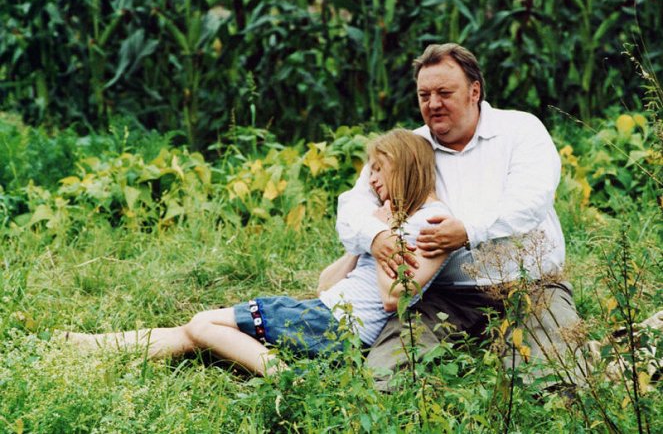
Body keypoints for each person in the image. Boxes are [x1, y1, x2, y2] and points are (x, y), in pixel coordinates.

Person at [61, 129, 452, 376]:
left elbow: (391, 298)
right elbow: (324, 284)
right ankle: (89, 346)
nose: (373, 181)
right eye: (371, 172)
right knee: (196, 335)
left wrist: (386, 229)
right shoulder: (389, 220)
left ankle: (284, 378)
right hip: (322, 313)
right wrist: (363, 240)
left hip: (335, 328)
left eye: (379, 171)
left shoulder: (432, 221)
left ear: (403, 167)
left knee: (202, 325)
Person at [335, 43, 584, 389]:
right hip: (442, 294)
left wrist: (467, 231)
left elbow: (530, 202)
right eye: (424, 95)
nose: (432, 104)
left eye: (444, 92)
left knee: (556, 384)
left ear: (474, 91)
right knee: (387, 379)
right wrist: (376, 236)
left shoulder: (520, 131)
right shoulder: (410, 148)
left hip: (529, 286)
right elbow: (351, 207)